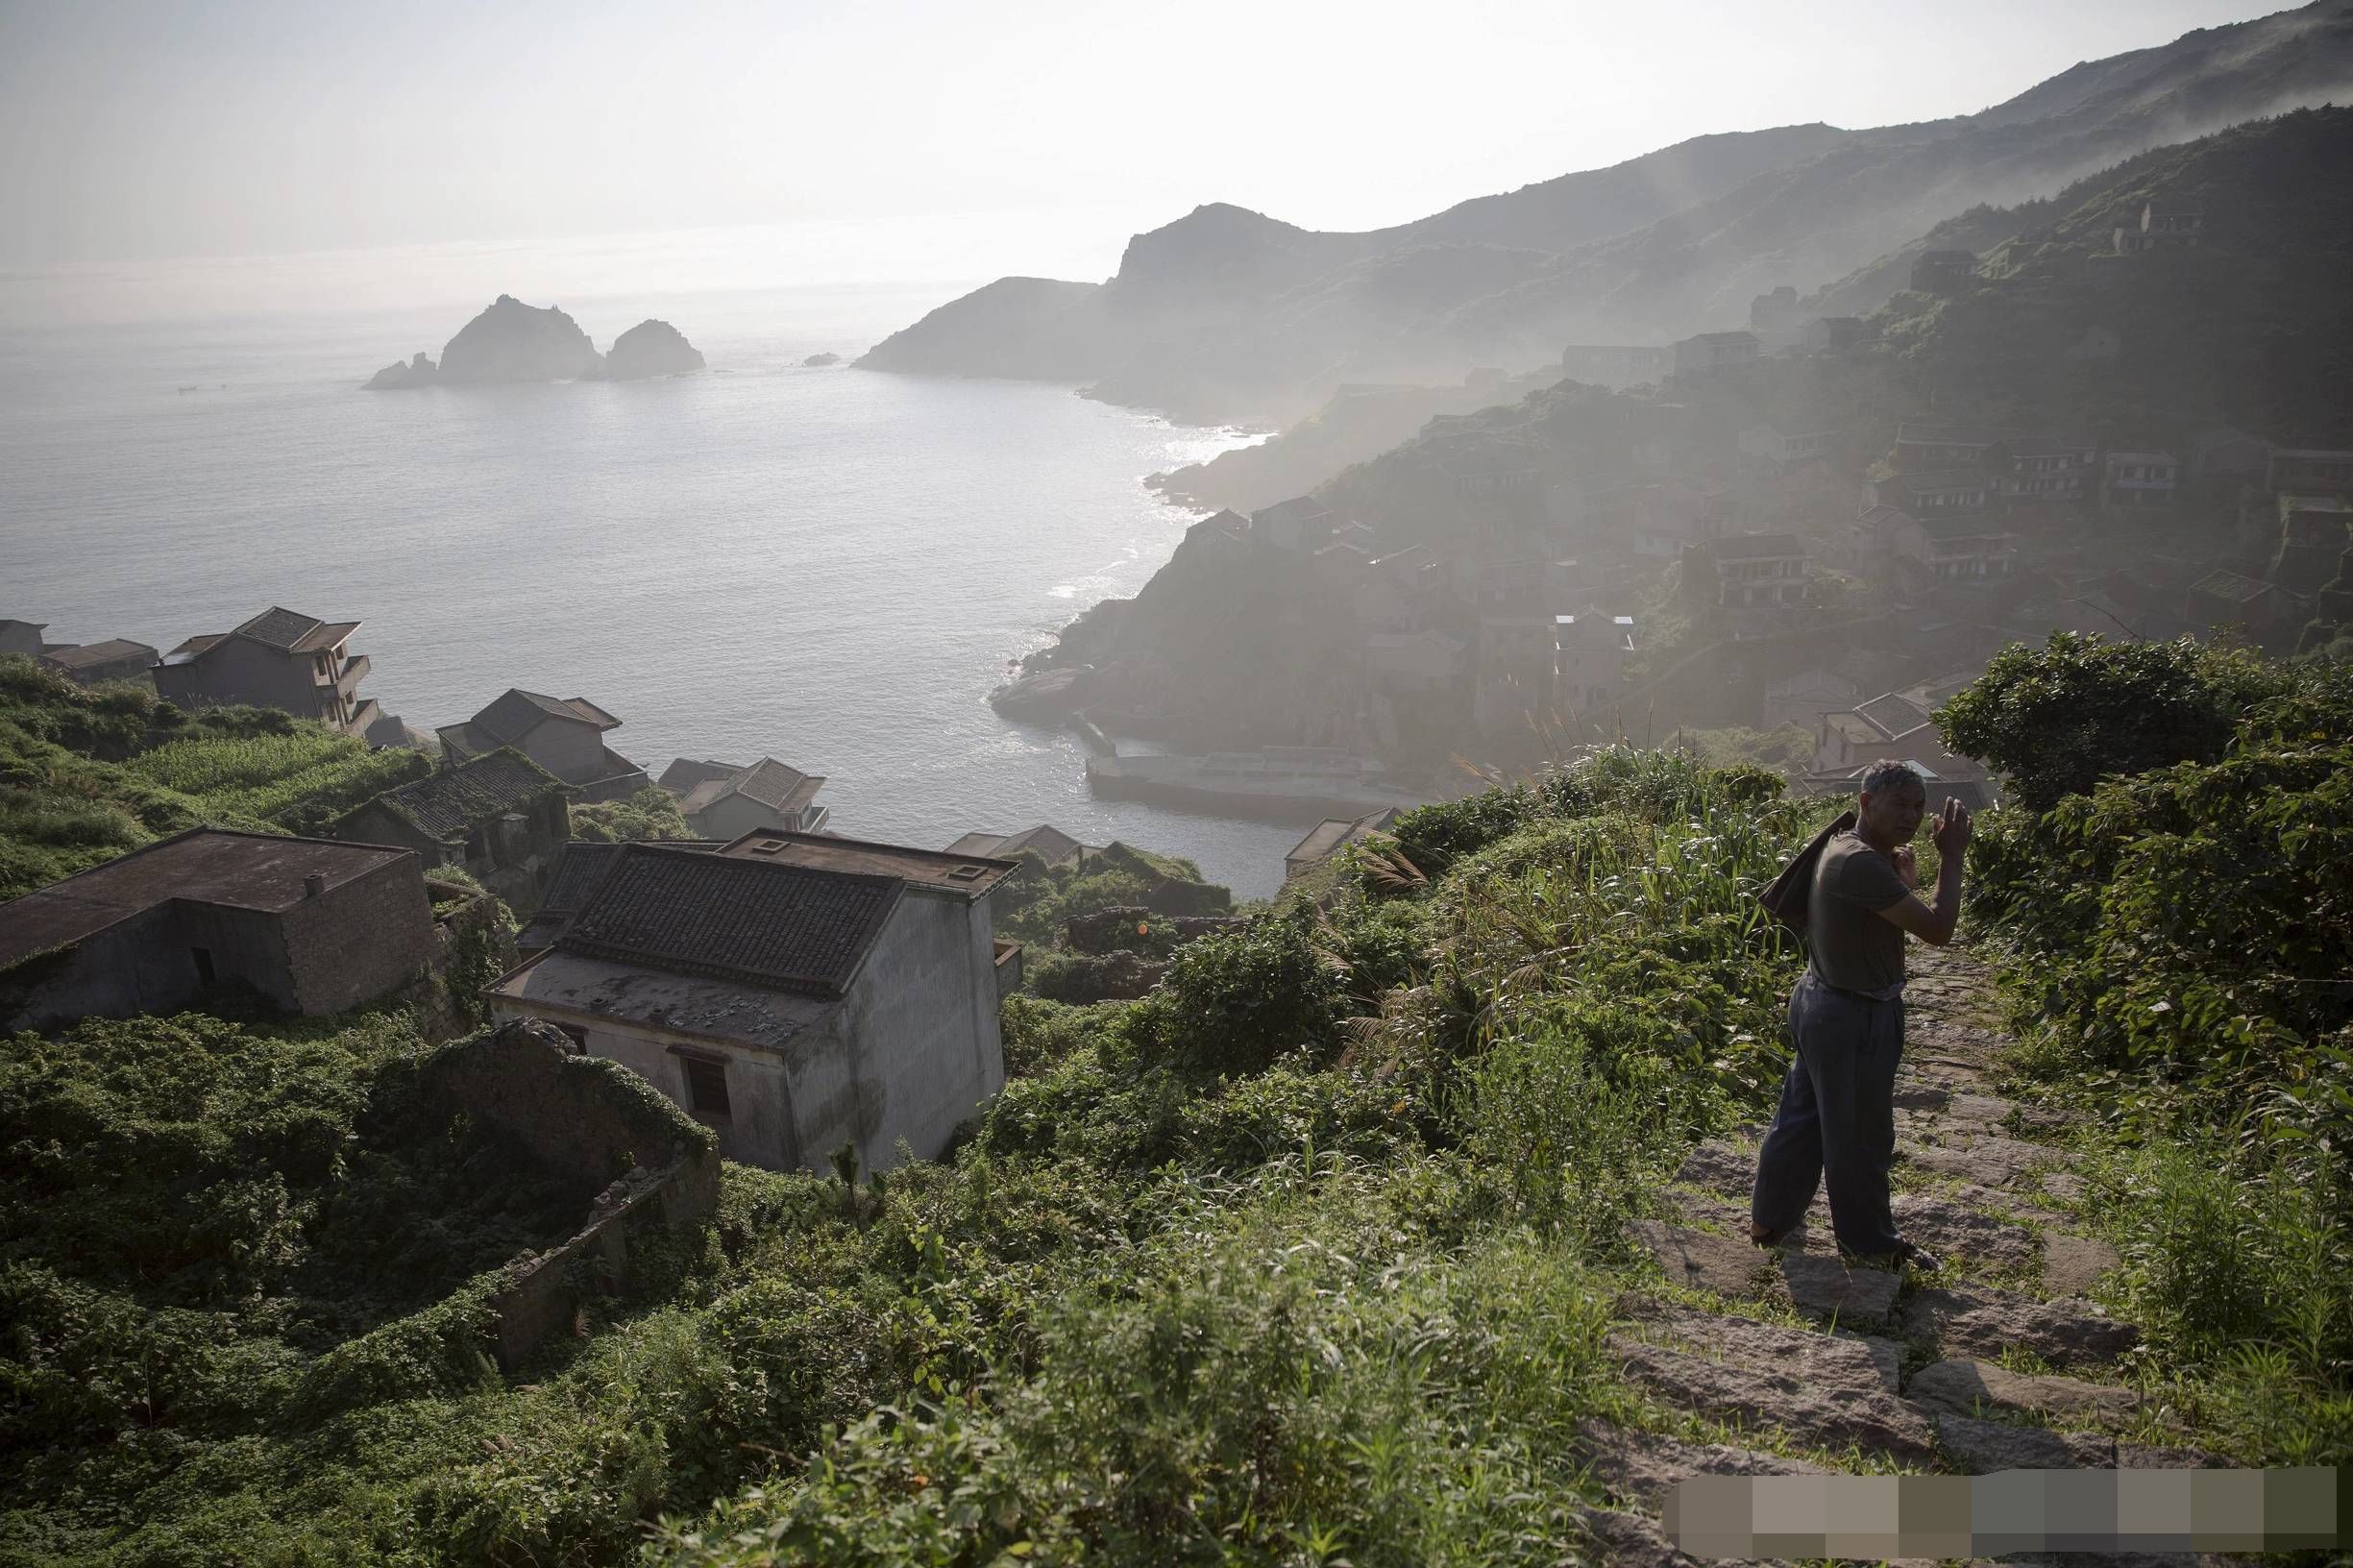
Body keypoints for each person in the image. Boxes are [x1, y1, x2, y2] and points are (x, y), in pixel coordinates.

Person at [1749, 758, 1971, 1271]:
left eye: (1918, 806)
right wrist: (1953, 859)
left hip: (1821, 1001)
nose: (1912, 816)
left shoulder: (1852, 847)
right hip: (1852, 1017)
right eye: (1899, 804)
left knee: (1801, 1120)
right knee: (1861, 1134)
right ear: (1867, 803)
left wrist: (1905, 883)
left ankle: (1770, 1220)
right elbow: (1938, 930)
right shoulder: (1861, 862)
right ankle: (1868, 1243)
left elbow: (1884, 917)